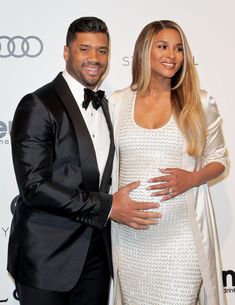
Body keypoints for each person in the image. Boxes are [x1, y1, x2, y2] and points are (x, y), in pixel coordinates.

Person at [7, 17, 160, 305]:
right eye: (85, 49)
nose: (95, 59)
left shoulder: (109, 106)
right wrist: (109, 205)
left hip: (96, 259)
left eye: (102, 51)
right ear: (67, 52)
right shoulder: (38, 105)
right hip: (46, 260)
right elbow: (34, 186)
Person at [109, 20, 229, 305]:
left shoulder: (198, 102)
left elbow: (220, 159)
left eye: (178, 49)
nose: (172, 55)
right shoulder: (117, 102)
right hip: (130, 237)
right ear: (144, 51)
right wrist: (111, 204)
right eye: (163, 46)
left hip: (182, 238)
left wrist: (192, 178)